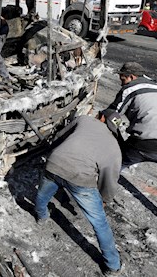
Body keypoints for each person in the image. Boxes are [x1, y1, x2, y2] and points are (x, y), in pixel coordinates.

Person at [35, 112, 123, 275]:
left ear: (102, 118)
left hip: (55, 164)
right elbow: (109, 179)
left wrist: (52, 155)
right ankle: (112, 265)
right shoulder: (114, 148)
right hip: (80, 179)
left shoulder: (84, 120)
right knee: (99, 223)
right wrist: (105, 199)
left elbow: (59, 137)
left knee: (43, 193)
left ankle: (41, 216)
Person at [107, 62, 157, 238]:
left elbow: (112, 114)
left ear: (131, 77)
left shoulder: (130, 88)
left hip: (146, 144)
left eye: (122, 77)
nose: (121, 81)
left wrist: (117, 128)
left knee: (115, 164)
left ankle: (100, 198)